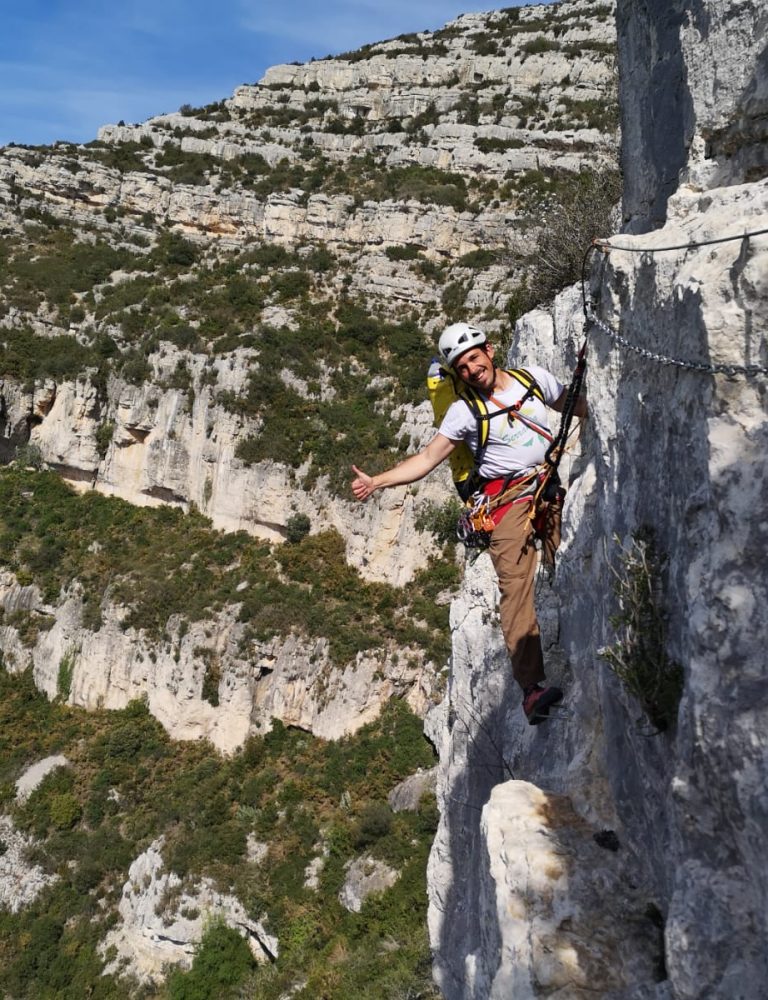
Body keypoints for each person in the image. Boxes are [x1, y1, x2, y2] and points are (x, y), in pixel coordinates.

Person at [351, 322, 588, 725]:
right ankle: (531, 689)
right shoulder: (463, 412)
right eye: (462, 367)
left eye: (474, 359)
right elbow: (427, 459)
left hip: (548, 485)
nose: (472, 370)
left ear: (489, 351)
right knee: (515, 588)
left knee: (570, 558)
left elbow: (573, 406)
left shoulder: (534, 379)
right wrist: (378, 481)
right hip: (506, 501)